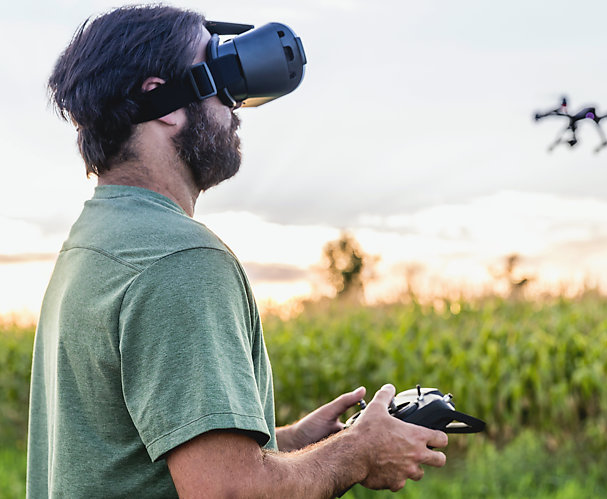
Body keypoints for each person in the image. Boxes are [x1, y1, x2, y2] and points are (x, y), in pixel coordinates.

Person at [27, 5, 447, 497]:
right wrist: (356, 454)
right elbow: (228, 491)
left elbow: (136, 457)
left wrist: (292, 442)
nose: (235, 110)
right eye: (223, 81)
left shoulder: (94, 239)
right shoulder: (179, 260)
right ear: (162, 100)